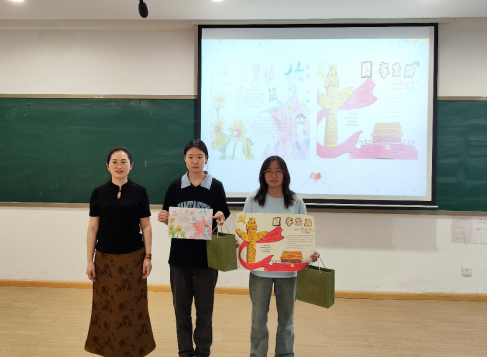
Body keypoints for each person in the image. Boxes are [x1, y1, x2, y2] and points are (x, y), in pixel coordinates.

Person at [241, 156, 319, 358]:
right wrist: (239, 241)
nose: (273, 175)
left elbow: (303, 235)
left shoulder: (296, 201)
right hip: (260, 272)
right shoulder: (253, 200)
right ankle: (257, 354)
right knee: (258, 321)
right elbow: (244, 232)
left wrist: (310, 253)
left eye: (278, 171)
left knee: (287, 321)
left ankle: (285, 354)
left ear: (285, 174)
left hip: (288, 272)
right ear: (263, 174)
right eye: (268, 171)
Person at [158, 139, 230, 358]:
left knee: (205, 311)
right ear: (185, 159)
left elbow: (223, 212)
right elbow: (168, 216)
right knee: (181, 311)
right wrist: (164, 218)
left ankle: (203, 352)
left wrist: (221, 215)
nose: (195, 161)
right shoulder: (175, 186)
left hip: (208, 259)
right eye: (190, 157)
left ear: (206, 158)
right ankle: (185, 351)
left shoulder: (216, 186)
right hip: (179, 259)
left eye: (199, 156)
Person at [85, 147, 156, 357]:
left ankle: (134, 350)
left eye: (124, 162)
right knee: (106, 308)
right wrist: (89, 261)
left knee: (133, 307)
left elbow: (146, 226)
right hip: (105, 259)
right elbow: (92, 228)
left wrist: (148, 257)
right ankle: (109, 349)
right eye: (114, 162)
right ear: (107, 166)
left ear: (131, 166)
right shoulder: (98, 192)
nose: (119, 166)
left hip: (133, 258)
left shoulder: (140, 191)